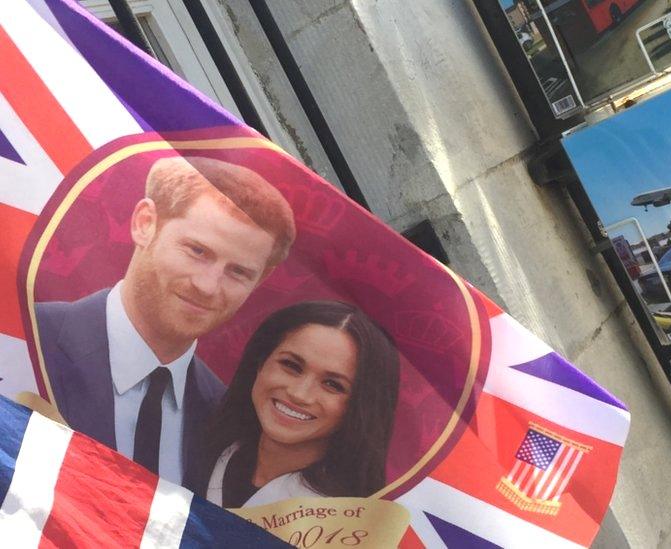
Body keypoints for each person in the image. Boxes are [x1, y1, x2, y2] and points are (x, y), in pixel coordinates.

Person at [34, 156, 296, 487]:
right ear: (145, 223)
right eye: (198, 251)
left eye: (238, 272)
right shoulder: (26, 336)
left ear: (260, 280)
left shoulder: (231, 426)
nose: (208, 286)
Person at [199, 301, 400, 507]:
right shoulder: (195, 449)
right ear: (260, 363)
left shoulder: (347, 525)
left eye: (332, 384)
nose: (299, 394)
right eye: (291, 365)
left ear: (360, 406)